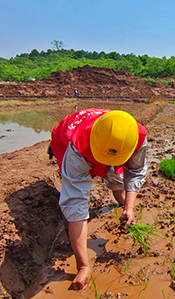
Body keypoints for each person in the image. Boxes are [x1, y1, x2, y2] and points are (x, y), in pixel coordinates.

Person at [50, 108, 148, 290]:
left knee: (116, 177)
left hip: (108, 145)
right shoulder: (78, 144)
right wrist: (83, 266)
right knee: (72, 199)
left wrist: (130, 207)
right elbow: (76, 201)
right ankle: (72, 235)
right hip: (69, 142)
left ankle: (123, 206)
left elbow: (134, 172)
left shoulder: (135, 136)